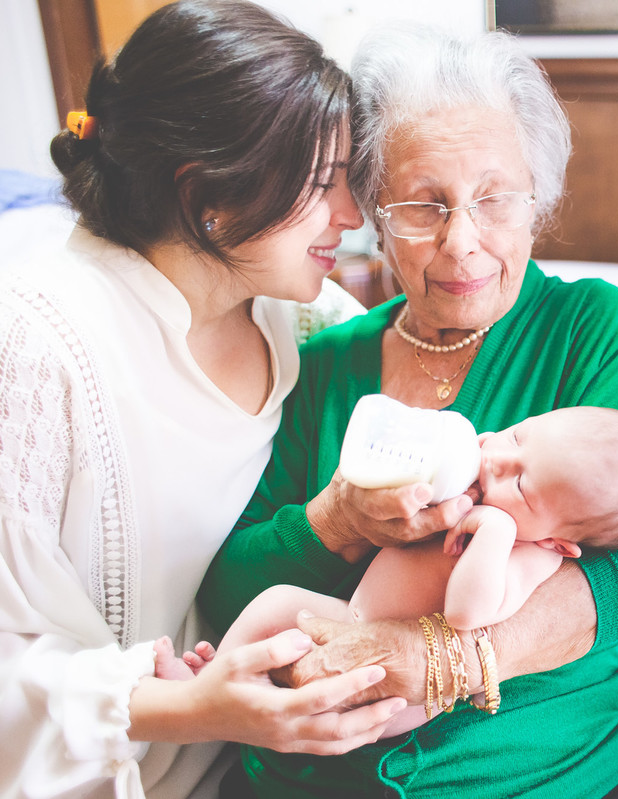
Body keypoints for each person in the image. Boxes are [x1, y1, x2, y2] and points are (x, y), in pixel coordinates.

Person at [197, 22, 618, 799]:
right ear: (373, 211)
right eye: (423, 206)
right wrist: (337, 519)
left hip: (546, 766)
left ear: (539, 200)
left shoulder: (589, 324)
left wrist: (444, 658)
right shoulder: (323, 361)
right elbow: (225, 588)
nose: (463, 242)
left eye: (495, 199)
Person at [0, 2, 428, 797]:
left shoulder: (301, 316)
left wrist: (596, 358)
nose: (351, 215)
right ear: (210, 196)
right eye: (321, 184)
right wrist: (190, 707)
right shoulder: (36, 342)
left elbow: (428, 359)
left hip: (254, 767)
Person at [158, 404, 618, 740]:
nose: (495, 459)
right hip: (348, 614)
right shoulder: (475, 486)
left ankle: (224, 709)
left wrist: (493, 532)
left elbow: (467, 613)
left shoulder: (532, 555)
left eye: (521, 485)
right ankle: (214, 683)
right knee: (275, 604)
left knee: (330, 714)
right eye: (516, 439)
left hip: (403, 691)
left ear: (558, 539)